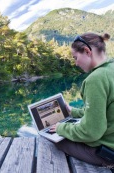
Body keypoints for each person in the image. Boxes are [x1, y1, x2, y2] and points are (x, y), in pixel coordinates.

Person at [49, 32, 114, 168]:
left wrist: (61, 128)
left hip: (107, 153)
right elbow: (103, 111)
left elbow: (91, 132)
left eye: (75, 57)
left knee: (53, 140)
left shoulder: (95, 79)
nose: (75, 63)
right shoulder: (111, 69)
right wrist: (74, 112)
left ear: (86, 51)